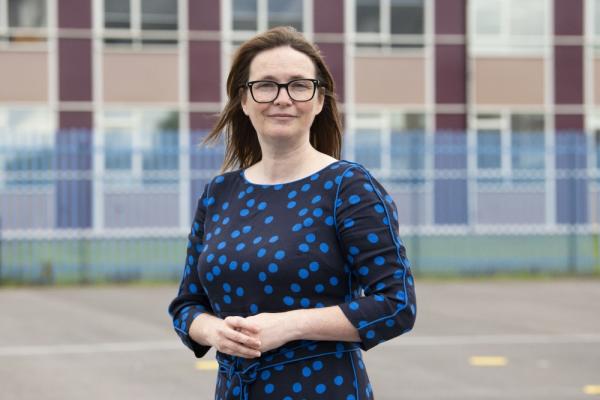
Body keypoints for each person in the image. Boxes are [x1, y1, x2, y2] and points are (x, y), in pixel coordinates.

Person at [168, 26, 416, 400]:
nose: (282, 98)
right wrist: (214, 331)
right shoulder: (218, 193)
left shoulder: (348, 187)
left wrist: (290, 325)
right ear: (244, 100)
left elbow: (396, 305)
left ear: (319, 101)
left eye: (299, 86)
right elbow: (187, 305)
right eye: (266, 85)